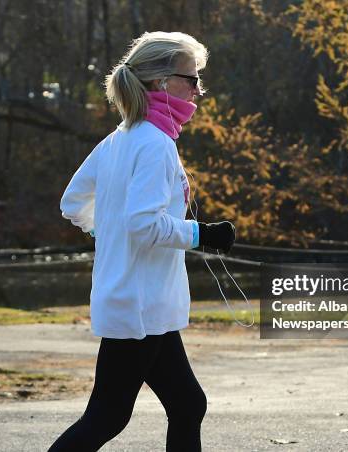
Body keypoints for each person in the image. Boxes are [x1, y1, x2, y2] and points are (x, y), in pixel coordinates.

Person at [48, 31, 236, 452]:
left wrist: (106, 230)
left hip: (142, 303)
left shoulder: (120, 139)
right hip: (139, 308)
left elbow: (73, 202)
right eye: (191, 78)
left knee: (188, 404)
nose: (197, 89)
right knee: (108, 417)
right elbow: (144, 225)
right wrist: (204, 235)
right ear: (160, 81)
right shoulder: (154, 144)